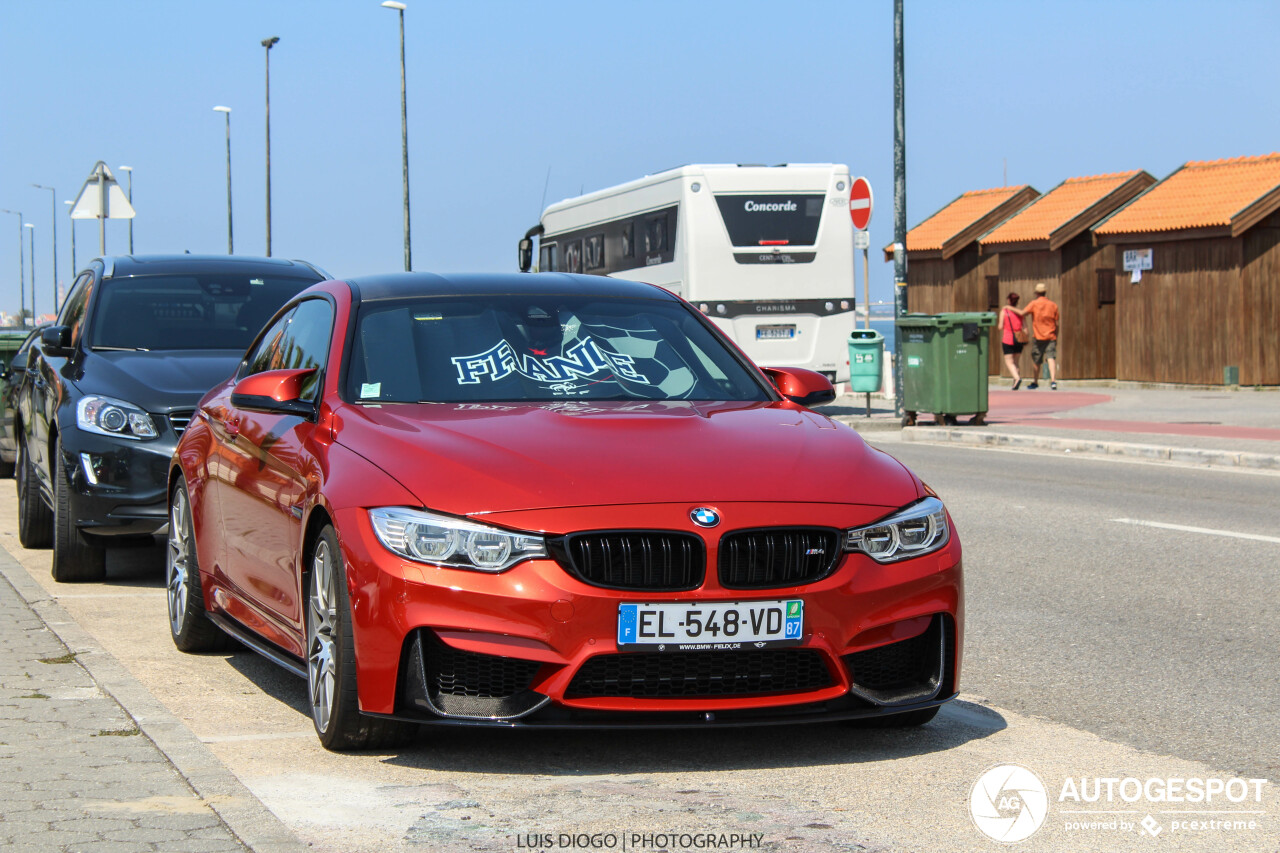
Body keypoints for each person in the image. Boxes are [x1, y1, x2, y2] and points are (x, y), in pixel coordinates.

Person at [1023, 282, 1060, 390]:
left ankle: (1035, 381)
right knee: (1051, 358)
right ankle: (1053, 381)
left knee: (1036, 359)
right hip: (1051, 335)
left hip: (1038, 336)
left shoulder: (1034, 303)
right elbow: (1056, 323)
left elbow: (1023, 313)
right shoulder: (1053, 305)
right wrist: (1056, 335)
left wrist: (1009, 308)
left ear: (1036, 293)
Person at [998, 292, 1029, 389]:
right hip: (1019, 338)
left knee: (1009, 361)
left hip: (1008, 338)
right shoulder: (1020, 313)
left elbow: (1000, 326)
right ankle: (1015, 383)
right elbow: (1026, 329)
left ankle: (1017, 378)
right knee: (1016, 362)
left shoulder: (1004, 311)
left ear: (1008, 300)